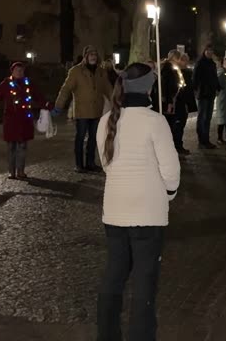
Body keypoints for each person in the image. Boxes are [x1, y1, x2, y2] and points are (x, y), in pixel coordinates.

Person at [96, 62, 180, 341]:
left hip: (116, 211)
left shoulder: (106, 120)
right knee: (144, 280)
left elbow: (107, 164)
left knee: (114, 274)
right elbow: (170, 171)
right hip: (148, 213)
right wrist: (169, 193)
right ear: (149, 88)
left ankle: (107, 334)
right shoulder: (155, 121)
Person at [55, 47, 116, 174]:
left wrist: (116, 103)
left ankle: (90, 163)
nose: (93, 57)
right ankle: (79, 164)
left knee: (93, 138)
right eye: (90, 54)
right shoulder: (76, 71)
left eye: (95, 54)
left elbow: (108, 89)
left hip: (96, 110)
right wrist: (58, 106)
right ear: (85, 56)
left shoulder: (101, 72)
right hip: (82, 111)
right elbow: (66, 89)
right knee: (80, 137)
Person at [0, 61, 49, 180]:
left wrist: (47, 105)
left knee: (22, 146)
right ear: (12, 71)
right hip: (11, 120)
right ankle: (12, 172)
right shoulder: (6, 83)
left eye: (21, 70)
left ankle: (20, 171)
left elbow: (38, 96)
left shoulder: (28, 83)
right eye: (17, 70)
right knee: (11, 147)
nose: (19, 72)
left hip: (24, 119)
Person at [160, 51, 191, 155]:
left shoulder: (174, 69)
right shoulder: (168, 70)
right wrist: (169, 102)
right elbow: (167, 87)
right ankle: (176, 146)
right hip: (174, 102)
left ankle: (177, 145)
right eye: (178, 58)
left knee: (178, 124)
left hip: (178, 100)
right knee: (175, 125)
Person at [194, 46, 220, 150]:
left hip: (211, 93)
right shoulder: (200, 63)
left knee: (208, 118)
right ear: (204, 51)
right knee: (202, 117)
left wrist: (217, 87)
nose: (210, 52)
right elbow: (195, 78)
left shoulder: (212, 64)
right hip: (203, 93)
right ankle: (202, 140)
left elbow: (214, 77)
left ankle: (206, 139)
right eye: (208, 50)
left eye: (211, 51)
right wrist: (197, 89)